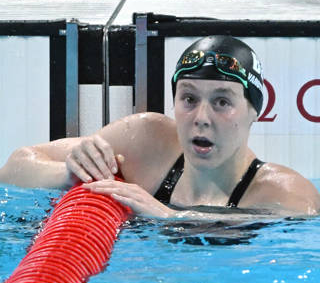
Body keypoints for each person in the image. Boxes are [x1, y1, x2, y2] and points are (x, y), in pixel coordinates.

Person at [0, 35, 319, 221]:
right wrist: (68, 173)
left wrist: (172, 218)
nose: (201, 117)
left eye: (222, 102)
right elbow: (13, 168)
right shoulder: (144, 141)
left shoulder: (285, 194)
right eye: (189, 98)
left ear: (255, 111)